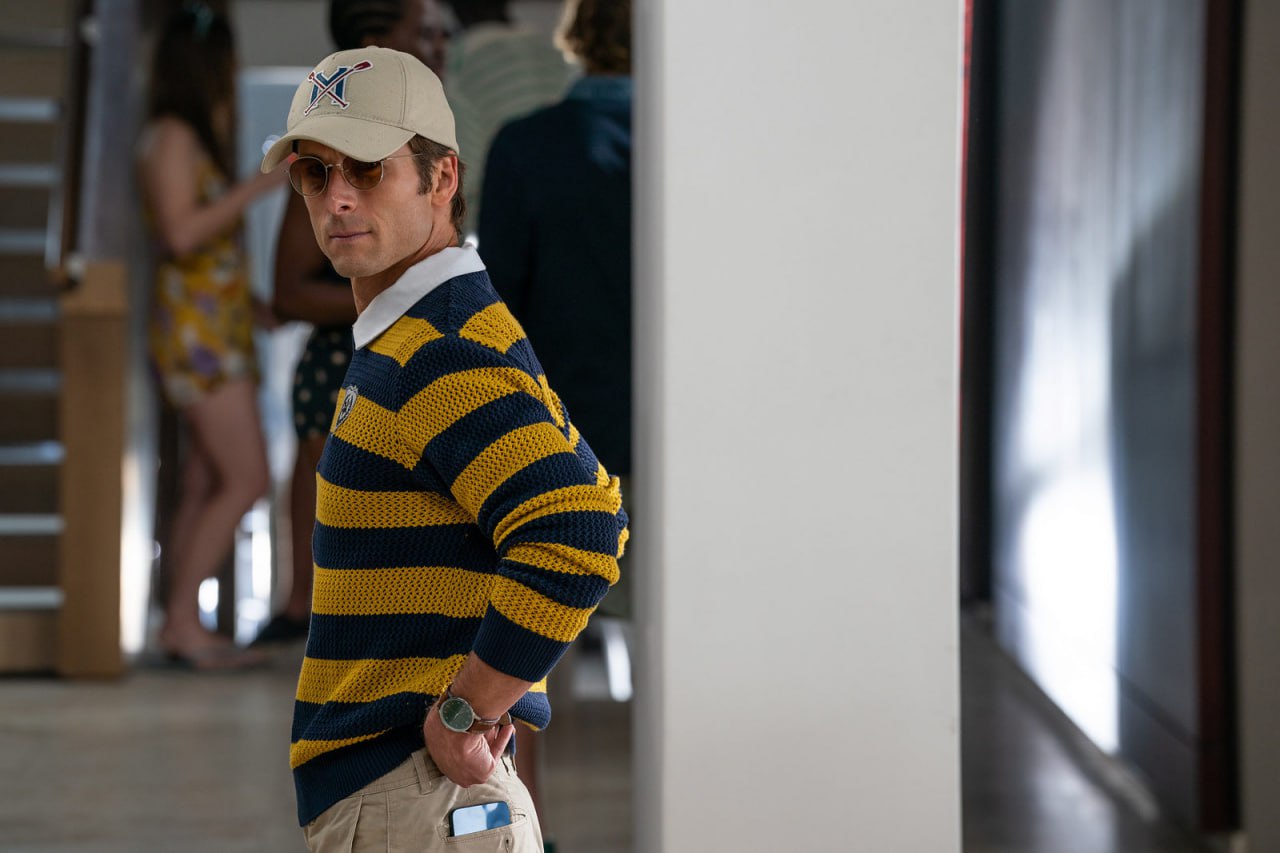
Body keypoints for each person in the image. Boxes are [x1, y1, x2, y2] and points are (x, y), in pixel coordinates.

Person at [258, 46, 627, 851]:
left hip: (418, 801)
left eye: (368, 169)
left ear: (442, 178)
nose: (337, 198)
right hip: (419, 804)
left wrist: (468, 708)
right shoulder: (420, 334)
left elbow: (579, 529)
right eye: (315, 173)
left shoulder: (439, 349)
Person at [252, 0, 453, 647]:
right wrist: (401, 295)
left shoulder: (424, 145)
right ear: (375, 41)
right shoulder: (333, 167)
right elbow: (288, 292)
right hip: (342, 362)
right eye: (422, 33)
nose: (440, 46)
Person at [137, 2, 286, 669]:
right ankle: (180, 622)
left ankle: (181, 622)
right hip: (199, 338)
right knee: (246, 476)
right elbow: (180, 234)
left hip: (214, 327)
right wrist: (257, 187)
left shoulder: (182, 136)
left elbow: (201, 249)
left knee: (204, 480)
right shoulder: (173, 135)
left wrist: (251, 306)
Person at [444, 0, 573, 235]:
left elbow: (465, 176)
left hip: (504, 224)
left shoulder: (459, 68)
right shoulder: (556, 53)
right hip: (568, 210)